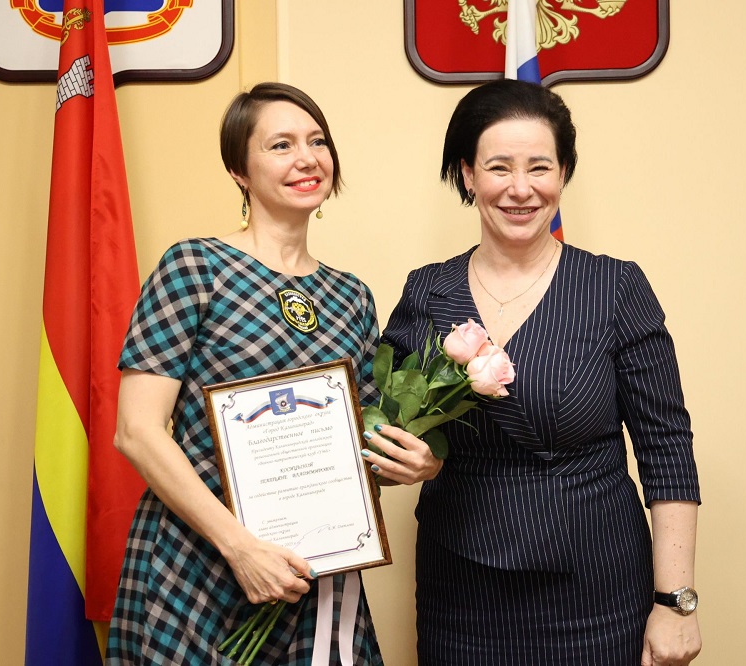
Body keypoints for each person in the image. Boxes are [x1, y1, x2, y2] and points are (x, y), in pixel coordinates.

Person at [362, 80, 702, 665]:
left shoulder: (616, 288)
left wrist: (675, 603)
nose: (520, 188)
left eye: (539, 167)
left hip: (597, 590)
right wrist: (408, 462)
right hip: (460, 592)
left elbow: (666, 448)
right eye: (499, 167)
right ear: (468, 175)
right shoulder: (428, 291)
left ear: (563, 174)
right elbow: (381, 429)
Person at [106, 82, 393, 664]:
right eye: (281, 145)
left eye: (317, 141)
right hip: (198, 569)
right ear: (240, 170)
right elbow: (136, 431)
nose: (306, 158)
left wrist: (410, 461)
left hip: (313, 579)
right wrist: (240, 548)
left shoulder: (351, 297)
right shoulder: (196, 267)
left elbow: (360, 450)